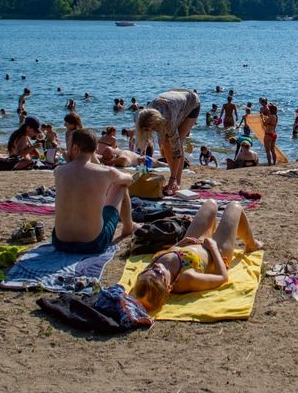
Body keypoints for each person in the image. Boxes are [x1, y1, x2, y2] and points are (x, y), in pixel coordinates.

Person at [131, 199, 262, 312]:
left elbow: (164, 259)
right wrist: (214, 248)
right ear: (169, 287)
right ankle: (251, 244)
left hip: (190, 245)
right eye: (158, 271)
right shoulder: (186, 278)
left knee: (210, 204)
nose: (157, 266)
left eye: (150, 269)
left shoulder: (149, 276)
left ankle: (215, 233)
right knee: (235, 206)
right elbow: (222, 277)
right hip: (216, 252)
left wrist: (180, 245)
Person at [52, 128, 136, 255]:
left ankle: (128, 226)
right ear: (95, 149)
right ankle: (128, 227)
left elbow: (76, 174)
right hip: (92, 244)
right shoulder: (106, 173)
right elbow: (129, 180)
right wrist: (108, 181)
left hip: (60, 242)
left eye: (68, 146)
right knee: (121, 186)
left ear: (75, 148)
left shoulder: (59, 171)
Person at [135, 89, 200, 195]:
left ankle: (177, 181)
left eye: (153, 129)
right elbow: (144, 140)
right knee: (165, 143)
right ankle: (173, 178)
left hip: (191, 103)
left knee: (179, 139)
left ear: (157, 123)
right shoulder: (143, 116)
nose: (153, 132)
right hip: (173, 102)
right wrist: (142, 157)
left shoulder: (168, 120)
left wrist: (172, 178)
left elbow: (177, 151)